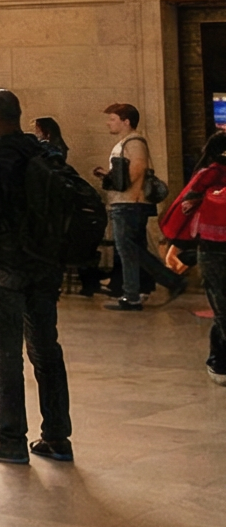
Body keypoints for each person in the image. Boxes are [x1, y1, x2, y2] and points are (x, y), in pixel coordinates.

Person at [0, 88, 73, 464]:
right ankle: (56, 437)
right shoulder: (42, 152)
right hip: (43, 266)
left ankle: (10, 438)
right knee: (46, 350)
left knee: (5, 355)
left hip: (4, 268)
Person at [155, 134, 226, 384]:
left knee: (222, 308)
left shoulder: (205, 176)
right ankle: (218, 361)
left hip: (210, 250)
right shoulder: (209, 176)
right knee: (222, 309)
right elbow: (188, 211)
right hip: (212, 250)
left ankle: (219, 360)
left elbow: (186, 210)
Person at [97, 103, 182, 311]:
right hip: (126, 202)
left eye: (113, 119)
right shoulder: (127, 142)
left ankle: (147, 288)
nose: (109, 123)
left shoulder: (134, 141)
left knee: (129, 249)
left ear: (126, 122)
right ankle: (137, 291)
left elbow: (138, 168)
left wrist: (124, 190)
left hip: (129, 203)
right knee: (132, 249)